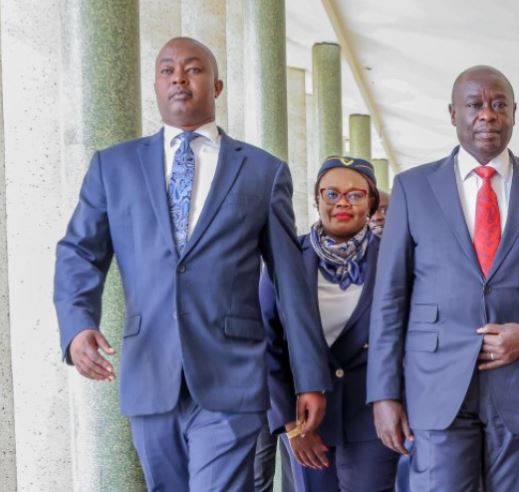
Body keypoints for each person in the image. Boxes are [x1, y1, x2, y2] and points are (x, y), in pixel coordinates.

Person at [53, 37, 330, 490]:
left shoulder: (263, 171)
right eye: (166, 70)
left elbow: (290, 283)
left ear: (217, 85)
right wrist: (77, 323)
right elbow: (79, 250)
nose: (179, 78)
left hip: (232, 376)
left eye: (193, 69)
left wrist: (309, 376)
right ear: (156, 86)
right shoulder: (113, 167)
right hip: (150, 372)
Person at [367, 65, 519, 490]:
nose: (486, 115)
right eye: (474, 105)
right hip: (435, 384)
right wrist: (384, 394)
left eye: (498, 105)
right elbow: (390, 298)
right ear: (453, 113)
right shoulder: (412, 188)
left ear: (514, 113)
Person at [261, 156, 400, 491]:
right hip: (306, 418)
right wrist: (290, 424)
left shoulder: (395, 255)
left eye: (355, 195)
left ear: (371, 202)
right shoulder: (288, 256)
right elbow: (266, 340)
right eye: (332, 193)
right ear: (317, 198)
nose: (342, 203)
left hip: (372, 414)